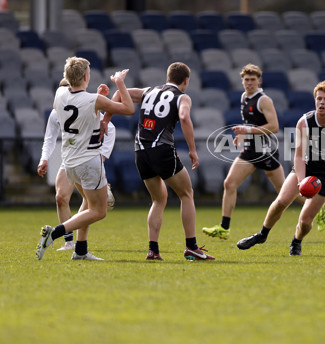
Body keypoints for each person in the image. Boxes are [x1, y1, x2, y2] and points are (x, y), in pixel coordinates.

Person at [103, 62, 214, 261]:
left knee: (158, 198)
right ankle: (191, 247)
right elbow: (185, 118)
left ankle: (153, 250)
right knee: (187, 194)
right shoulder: (182, 96)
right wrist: (192, 150)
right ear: (186, 80)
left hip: (140, 151)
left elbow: (120, 94)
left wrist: (106, 119)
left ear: (167, 76)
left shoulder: (149, 90)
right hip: (162, 150)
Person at [202, 64, 325, 239]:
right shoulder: (244, 97)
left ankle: (315, 206)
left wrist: (248, 131)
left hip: (266, 150)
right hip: (250, 149)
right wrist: (243, 136)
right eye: (246, 80)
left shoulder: (263, 100)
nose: (250, 83)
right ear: (242, 81)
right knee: (229, 183)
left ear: (259, 80)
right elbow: (251, 124)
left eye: (253, 80)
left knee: (283, 192)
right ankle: (224, 227)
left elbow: (274, 127)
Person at [237, 80, 325, 256]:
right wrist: (301, 182)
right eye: (318, 99)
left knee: (305, 221)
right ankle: (262, 234)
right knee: (281, 202)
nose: (321, 102)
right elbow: (299, 155)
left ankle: (296, 241)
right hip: (305, 168)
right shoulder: (305, 122)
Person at [36, 57, 135, 261]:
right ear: (85, 76)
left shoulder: (60, 94)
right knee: (99, 211)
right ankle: (54, 233)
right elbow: (129, 109)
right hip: (89, 162)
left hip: (69, 163)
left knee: (87, 204)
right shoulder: (93, 100)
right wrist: (120, 83)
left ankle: (80, 250)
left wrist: (97, 99)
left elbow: (79, 106)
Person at [37, 78, 117, 251]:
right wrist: (44, 158)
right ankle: (70, 243)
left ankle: (78, 245)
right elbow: (50, 138)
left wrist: (102, 155)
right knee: (61, 198)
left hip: (86, 159)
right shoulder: (56, 112)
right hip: (68, 159)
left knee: (90, 204)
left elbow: (110, 128)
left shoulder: (84, 105)